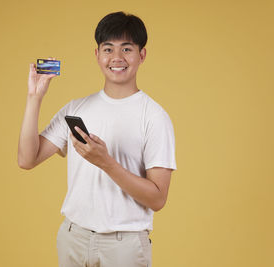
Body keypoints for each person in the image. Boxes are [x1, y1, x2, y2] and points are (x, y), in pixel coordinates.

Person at [18, 11, 177, 267]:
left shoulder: (155, 117)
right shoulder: (76, 109)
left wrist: (106, 163)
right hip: (73, 238)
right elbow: (27, 159)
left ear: (142, 55)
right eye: (108, 49)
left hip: (124, 245)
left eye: (127, 49)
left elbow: (157, 198)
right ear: (97, 55)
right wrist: (34, 97)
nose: (116, 58)